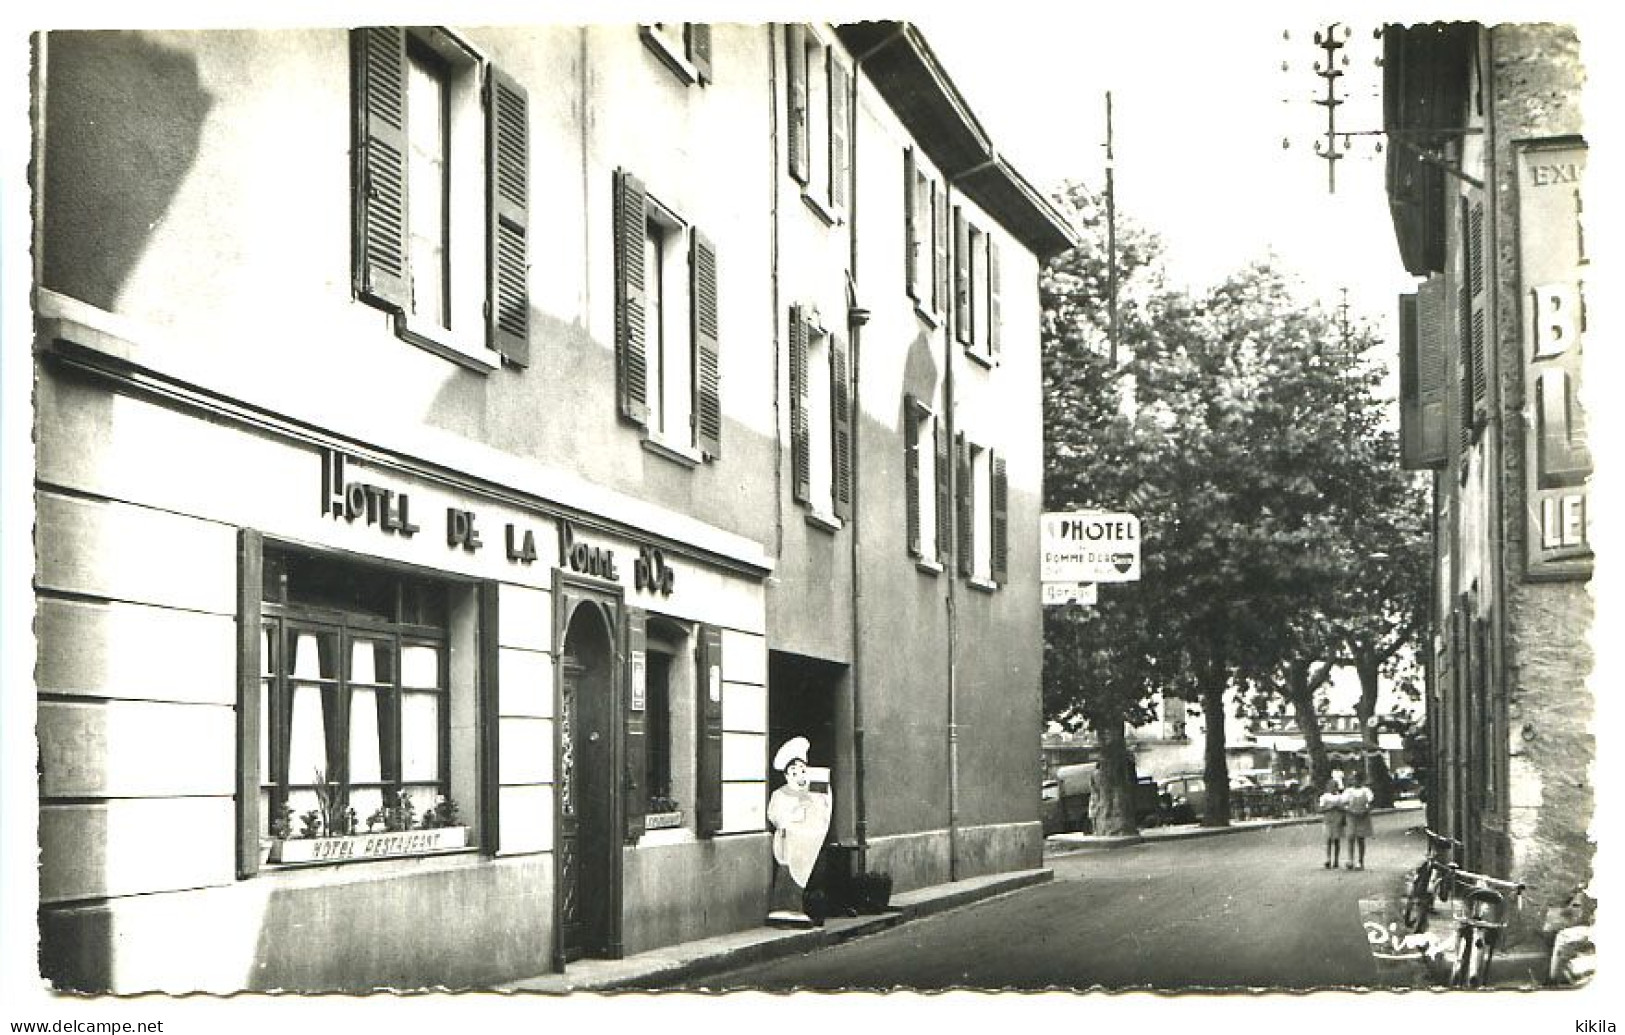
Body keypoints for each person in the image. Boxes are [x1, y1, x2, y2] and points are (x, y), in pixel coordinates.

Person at [765, 736, 832, 927]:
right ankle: (786, 910)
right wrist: (794, 814)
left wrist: (815, 802)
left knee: (813, 876)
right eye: (793, 772)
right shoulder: (780, 795)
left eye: (802, 771)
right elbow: (776, 817)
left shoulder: (813, 793)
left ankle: (813, 911)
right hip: (790, 845)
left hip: (811, 842)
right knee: (789, 876)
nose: (799, 775)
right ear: (787, 775)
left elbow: (822, 814)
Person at [1343, 770, 1375, 869]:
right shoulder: (1348, 791)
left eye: (1356, 780)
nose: (1354, 781)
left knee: (1361, 839)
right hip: (1352, 816)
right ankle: (1350, 860)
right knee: (1351, 837)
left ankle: (1360, 861)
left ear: (1360, 781)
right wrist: (1348, 810)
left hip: (1363, 816)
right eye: (1353, 780)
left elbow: (1370, 803)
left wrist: (1366, 809)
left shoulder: (1366, 791)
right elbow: (1344, 803)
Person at [1318, 779, 1346, 869]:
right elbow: (1320, 809)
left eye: (1335, 786)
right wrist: (1329, 807)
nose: (1333, 788)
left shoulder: (1340, 797)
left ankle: (1336, 860)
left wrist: (1340, 808)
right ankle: (1328, 859)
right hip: (1328, 820)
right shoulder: (1324, 797)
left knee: (1337, 841)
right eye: (1331, 786)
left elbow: (1344, 809)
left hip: (1337, 820)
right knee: (1328, 840)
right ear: (1328, 787)